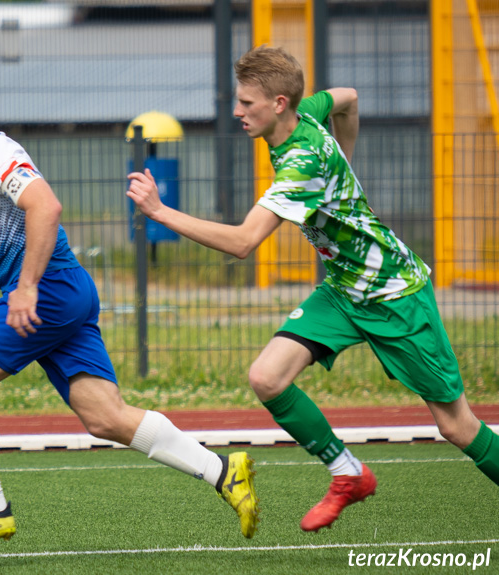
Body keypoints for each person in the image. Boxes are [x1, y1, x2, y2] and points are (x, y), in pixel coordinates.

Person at [127, 45, 499, 533]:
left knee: (456, 426)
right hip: (344, 290)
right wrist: (345, 155)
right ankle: (349, 475)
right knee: (266, 377)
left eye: (247, 103)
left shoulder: (301, 163)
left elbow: (242, 242)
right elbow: (347, 97)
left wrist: (160, 212)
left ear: (280, 103)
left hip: (395, 295)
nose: (237, 111)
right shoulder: (306, 113)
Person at [0, 57, 259, 547]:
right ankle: (223, 472)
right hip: (62, 293)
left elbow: (46, 205)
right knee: (105, 416)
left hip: (49, 291)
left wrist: (25, 288)